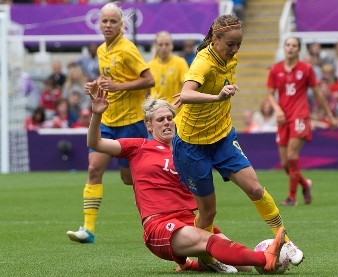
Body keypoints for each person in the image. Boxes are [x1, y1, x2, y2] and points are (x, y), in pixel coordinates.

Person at [75, 88, 287, 274]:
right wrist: (97, 114)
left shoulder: (188, 151)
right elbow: (95, 143)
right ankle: (266, 259)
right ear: (148, 125)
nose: (167, 122)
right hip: (159, 225)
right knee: (209, 243)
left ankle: (195, 266)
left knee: (244, 267)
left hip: (191, 220)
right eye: (160, 119)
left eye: (169, 117)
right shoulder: (138, 146)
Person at [172, 14, 304, 269]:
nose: (235, 50)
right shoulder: (202, 63)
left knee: (255, 188)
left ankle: (285, 241)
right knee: (208, 212)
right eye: (230, 44)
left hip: (221, 137)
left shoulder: (229, 58)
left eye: (239, 45)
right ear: (215, 38)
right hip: (191, 144)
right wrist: (217, 97)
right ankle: (206, 260)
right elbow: (187, 94)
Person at [66, 2, 155, 243]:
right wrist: (94, 85)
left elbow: (149, 79)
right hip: (107, 121)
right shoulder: (102, 50)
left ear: (121, 25)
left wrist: (119, 87)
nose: (107, 25)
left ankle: (154, 219)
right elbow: (108, 79)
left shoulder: (127, 49)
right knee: (94, 168)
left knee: (130, 178)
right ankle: (88, 230)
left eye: (112, 21)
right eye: (104, 21)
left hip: (131, 123)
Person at [266, 37, 338, 206]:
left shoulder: (306, 69)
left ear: (299, 50)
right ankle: (305, 184)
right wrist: (277, 110)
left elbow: (318, 93)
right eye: (288, 45)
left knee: (292, 155)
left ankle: (292, 197)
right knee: (285, 163)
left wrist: (330, 115)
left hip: (300, 116)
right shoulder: (275, 70)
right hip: (283, 117)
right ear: (284, 48)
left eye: (294, 46)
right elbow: (270, 94)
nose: (291, 48)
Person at [145, 31, 189, 110]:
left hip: (176, 111)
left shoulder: (180, 62)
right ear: (156, 46)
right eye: (160, 45)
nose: (164, 47)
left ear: (172, 46)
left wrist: (173, 106)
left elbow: (187, 88)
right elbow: (146, 93)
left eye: (167, 44)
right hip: (156, 112)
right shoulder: (149, 66)